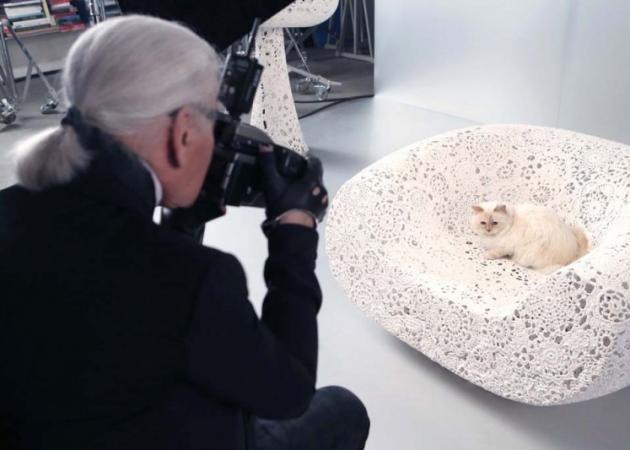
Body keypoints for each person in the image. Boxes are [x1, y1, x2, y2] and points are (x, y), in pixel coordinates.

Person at [0, 16, 369, 450]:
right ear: (183, 132)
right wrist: (295, 230)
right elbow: (289, 393)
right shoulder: (194, 278)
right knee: (342, 409)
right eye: (214, 121)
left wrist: (182, 226)